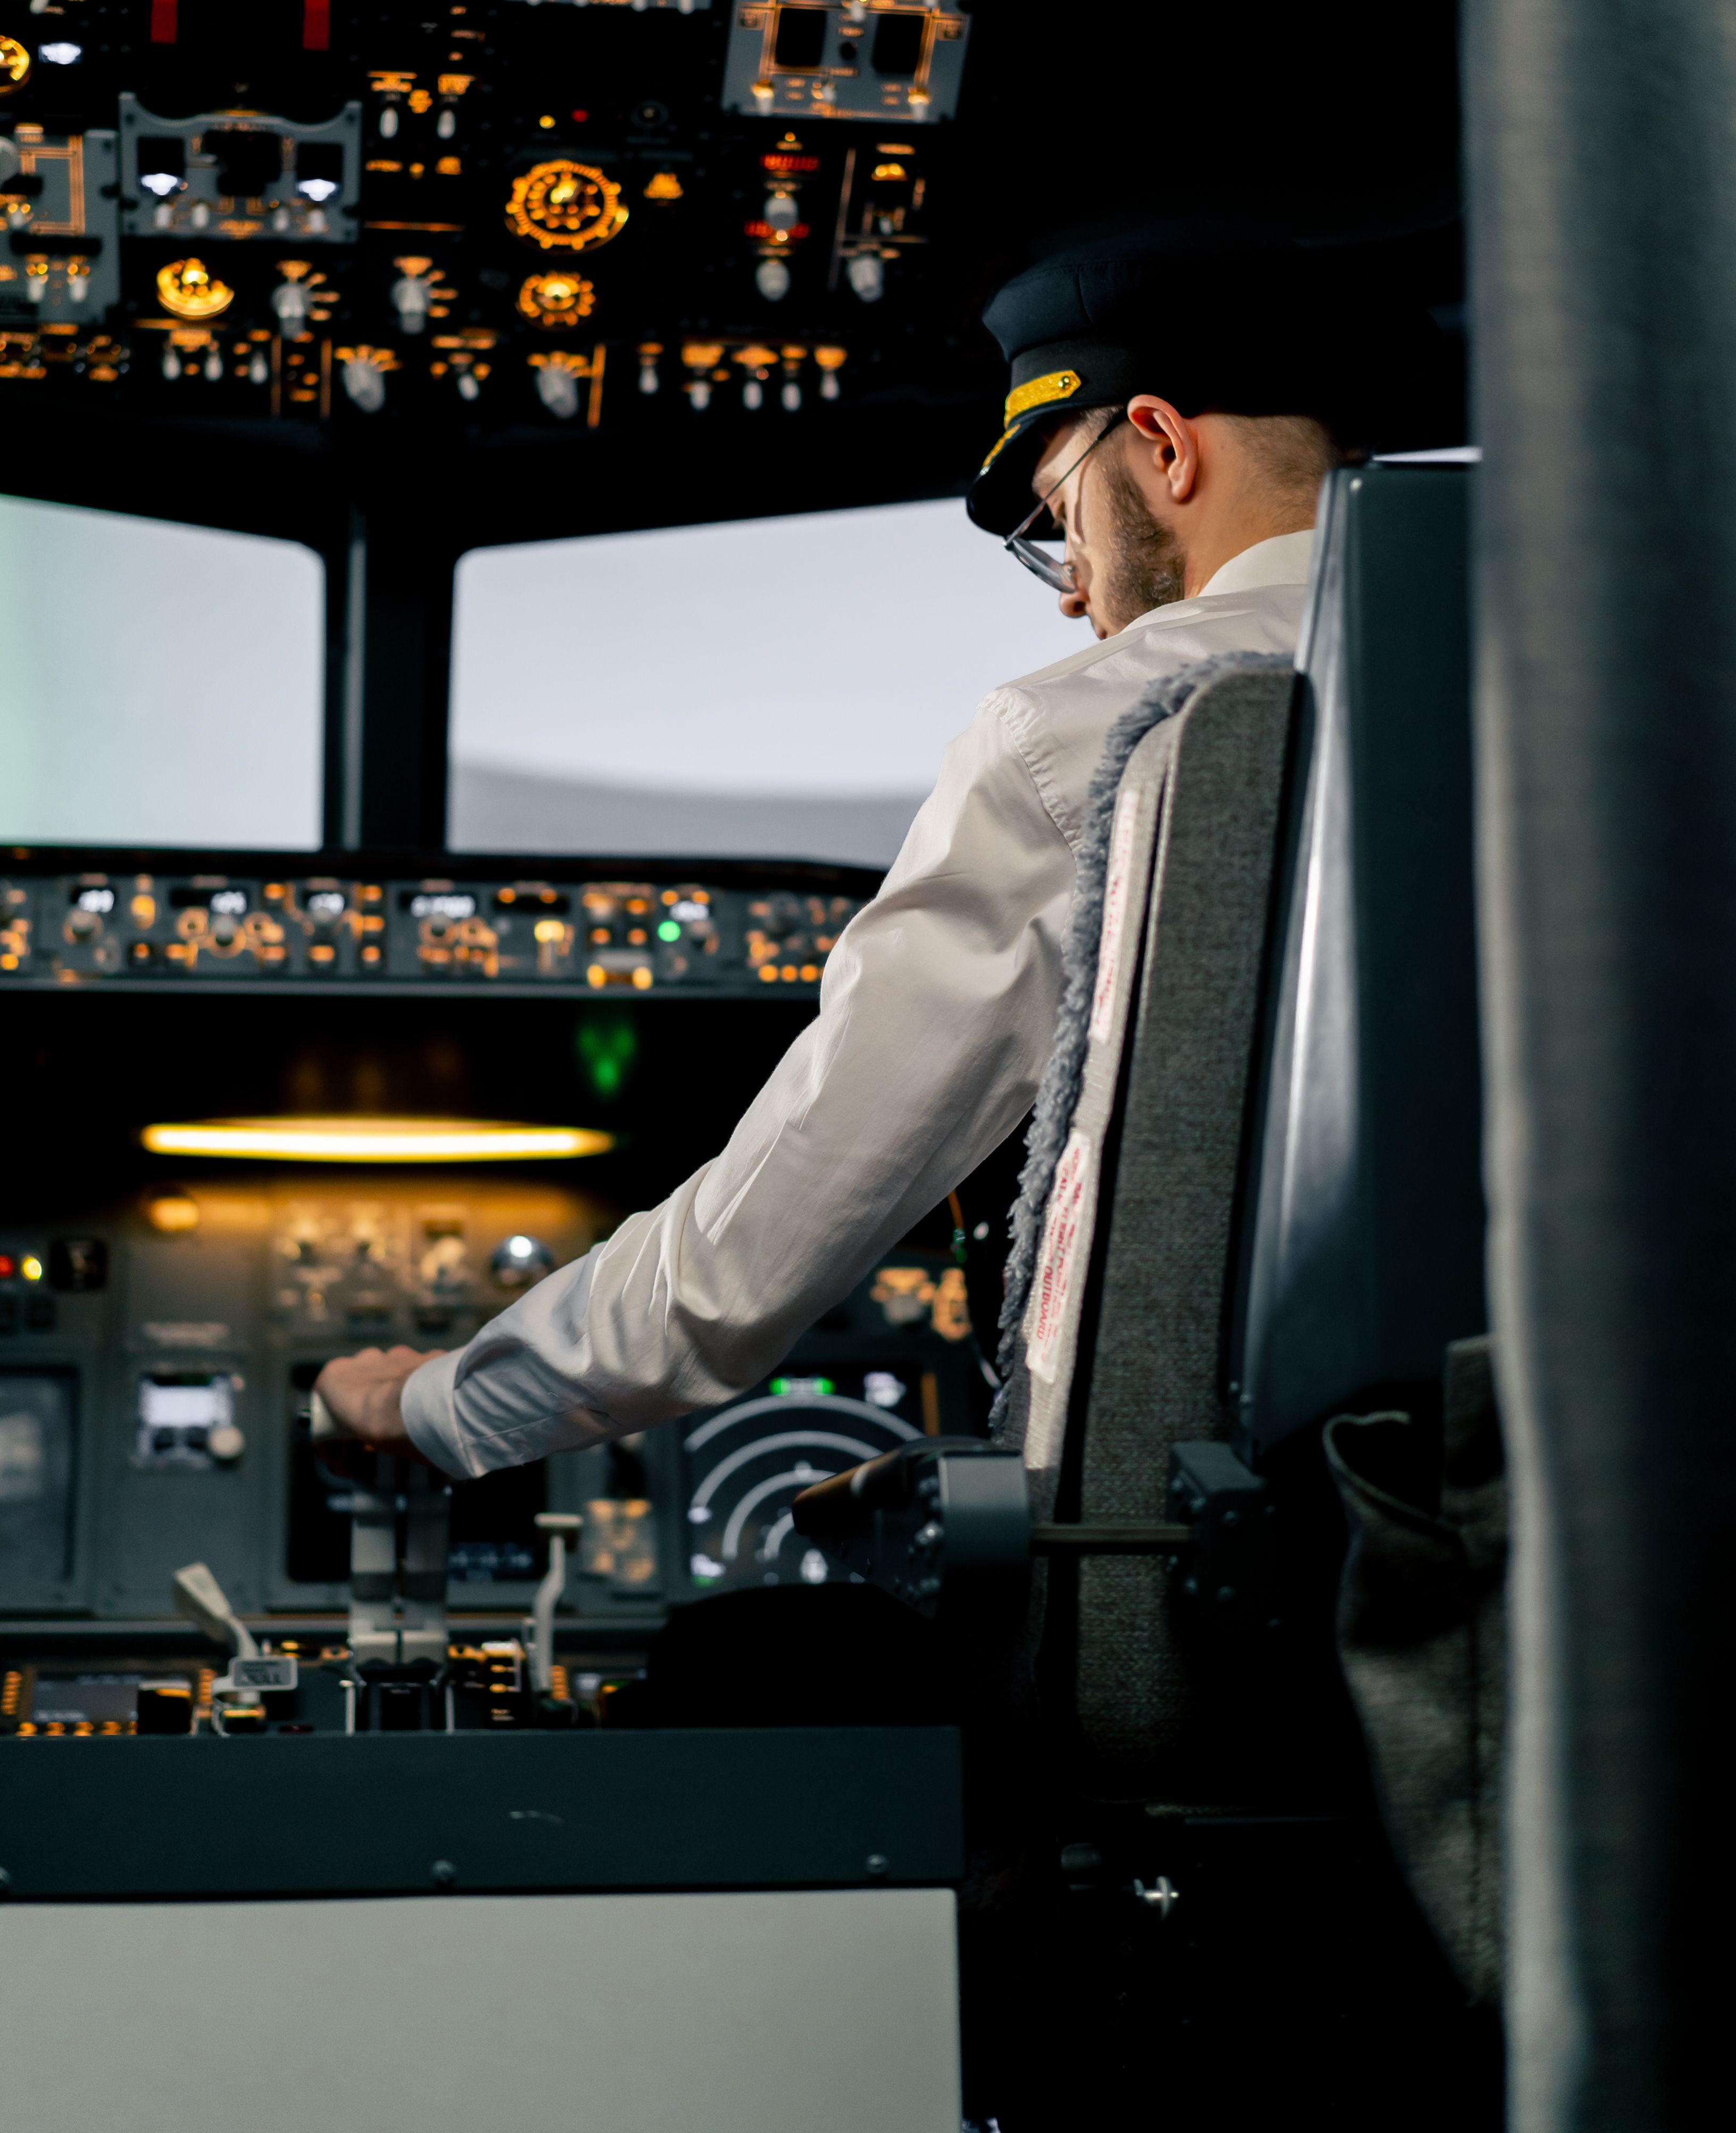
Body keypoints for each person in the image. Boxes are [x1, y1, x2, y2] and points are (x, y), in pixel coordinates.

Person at [314, 229, 1448, 1473]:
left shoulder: (1097, 730)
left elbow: (769, 1235)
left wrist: (439, 1400)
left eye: (1060, 516)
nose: (1073, 590)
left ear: (1165, 447)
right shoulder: (1613, 685)